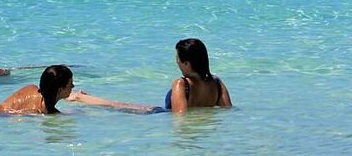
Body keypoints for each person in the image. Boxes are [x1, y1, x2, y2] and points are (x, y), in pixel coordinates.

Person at [70, 38, 232, 114]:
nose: (176, 63)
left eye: (178, 60)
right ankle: (84, 97)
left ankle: (80, 97)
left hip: (157, 114)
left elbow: (180, 118)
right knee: (119, 104)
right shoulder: (216, 82)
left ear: (187, 63)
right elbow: (228, 112)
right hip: (195, 129)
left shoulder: (181, 84)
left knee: (117, 105)